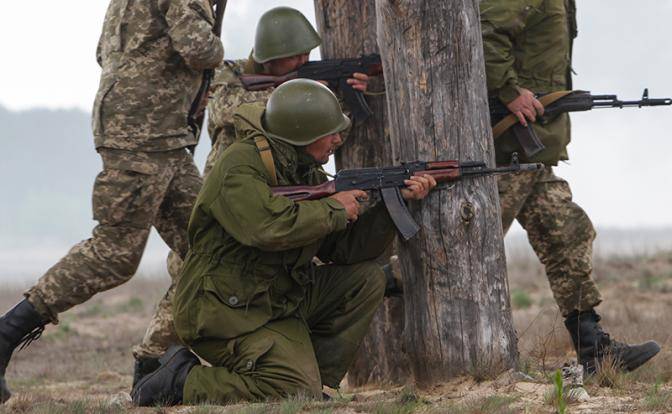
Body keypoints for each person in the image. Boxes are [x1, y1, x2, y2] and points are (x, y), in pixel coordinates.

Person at [131, 79, 436, 406]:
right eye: (329, 132)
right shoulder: (240, 166)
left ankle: (312, 383)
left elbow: (343, 250)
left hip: (276, 299)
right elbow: (266, 228)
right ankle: (181, 381)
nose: (337, 139)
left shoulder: (304, 171)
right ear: (302, 134)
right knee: (292, 392)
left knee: (365, 280)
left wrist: (391, 207)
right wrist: (334, 209)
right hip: (225, 312)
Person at [0, 0, 223, 403]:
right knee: (115, 253)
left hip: (161, 138)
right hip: (143, 138)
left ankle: (153, 365)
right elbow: (197, 47)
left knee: (209, 245)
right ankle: (7, 333)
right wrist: (217, 58)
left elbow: (105, 51)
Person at [480, 0, 660, 374]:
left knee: (568, 232)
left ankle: (595, 351)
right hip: (509, 147)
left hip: (530, 148)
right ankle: (379, 282)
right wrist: (510, 91)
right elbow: (484, 34)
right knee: (468, 244)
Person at [204, 6, 369, 176]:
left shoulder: (309, 85)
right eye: (293, 57)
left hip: (286, 178)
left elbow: (330, 142)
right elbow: (222, 111)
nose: (303, 61)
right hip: (232, 177)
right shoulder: (230, 71)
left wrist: (342, 97)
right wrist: (298, 96)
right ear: (268, 60)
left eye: (306, 54)